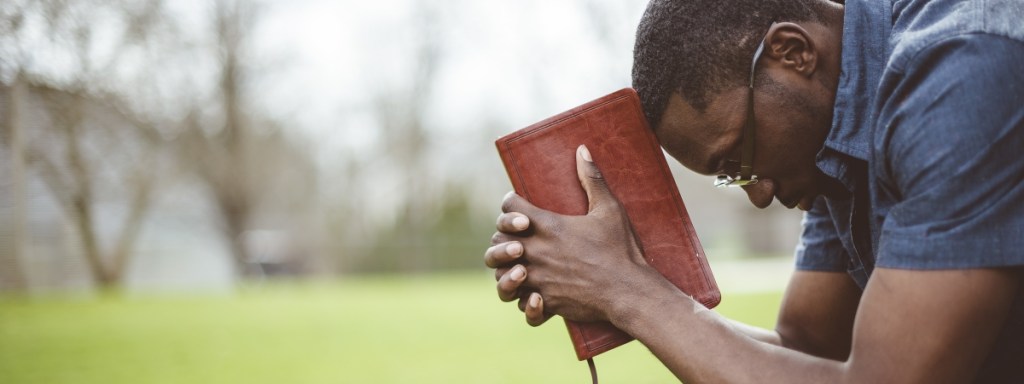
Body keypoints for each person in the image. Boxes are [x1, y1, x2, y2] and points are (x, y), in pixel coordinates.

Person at [484, 0, 1024, 382]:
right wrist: (615, 283)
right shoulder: (836, 122)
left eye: (740, 159)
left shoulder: (958, 71)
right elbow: (806, 349)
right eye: (732, 176)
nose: (759, 193)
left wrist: (626, 290)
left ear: (791, 53)